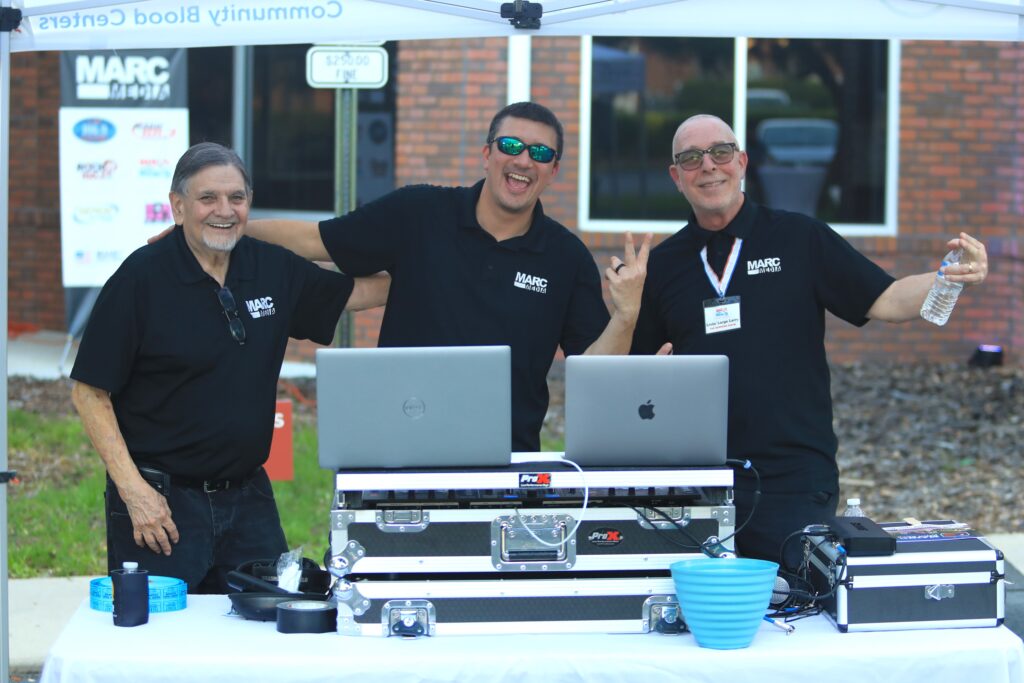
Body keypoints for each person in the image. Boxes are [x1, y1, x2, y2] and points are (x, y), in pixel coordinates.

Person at [631, 114, 989, 567]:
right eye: (691, 158)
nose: (708, 166)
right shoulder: (663, 265)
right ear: (675, 176)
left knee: (801, 615)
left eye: (721, 153)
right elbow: (633, 373)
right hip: (698, 478)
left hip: (794, 478)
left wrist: (947, 278)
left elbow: (887, 299)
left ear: (741, 162)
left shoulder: (801, 238)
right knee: (700, 618)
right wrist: (627, 310)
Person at [243, 101, 666, 452]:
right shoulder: (418, 213)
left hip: (507, 462)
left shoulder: (565, 256)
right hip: (398, 445)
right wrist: (227, 229)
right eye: (510, 145)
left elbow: (593, 374)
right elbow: (315, 240)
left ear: (553, 171)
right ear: (487, 154)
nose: (522, 160)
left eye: (540, 153)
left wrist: (625, 315)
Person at [70, 142, 387, 593]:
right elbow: (89, 393)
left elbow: (353, 294)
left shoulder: (270, 267)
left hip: (249, 501)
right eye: (208, 199)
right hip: (161, 506)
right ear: (178, 207)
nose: (225, 210)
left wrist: (432, 273)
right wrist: (135, 492)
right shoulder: (140, 280)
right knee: (163, 646)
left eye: (236, 198)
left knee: (262, 635)